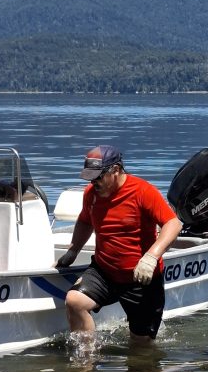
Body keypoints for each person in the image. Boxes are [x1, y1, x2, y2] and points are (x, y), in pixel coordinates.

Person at [55, 145, 182, 343]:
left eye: (98, 177)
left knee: (141, 348)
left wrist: (151, 257)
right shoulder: (91, 194)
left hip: (141, 278)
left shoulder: (143, 191)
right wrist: (73, 250)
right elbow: (85, 221)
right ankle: (86, 357)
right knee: (75, 301)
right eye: (90, 178)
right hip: (104, 272)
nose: (93, 182)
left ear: (115, 170)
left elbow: (173, 224)